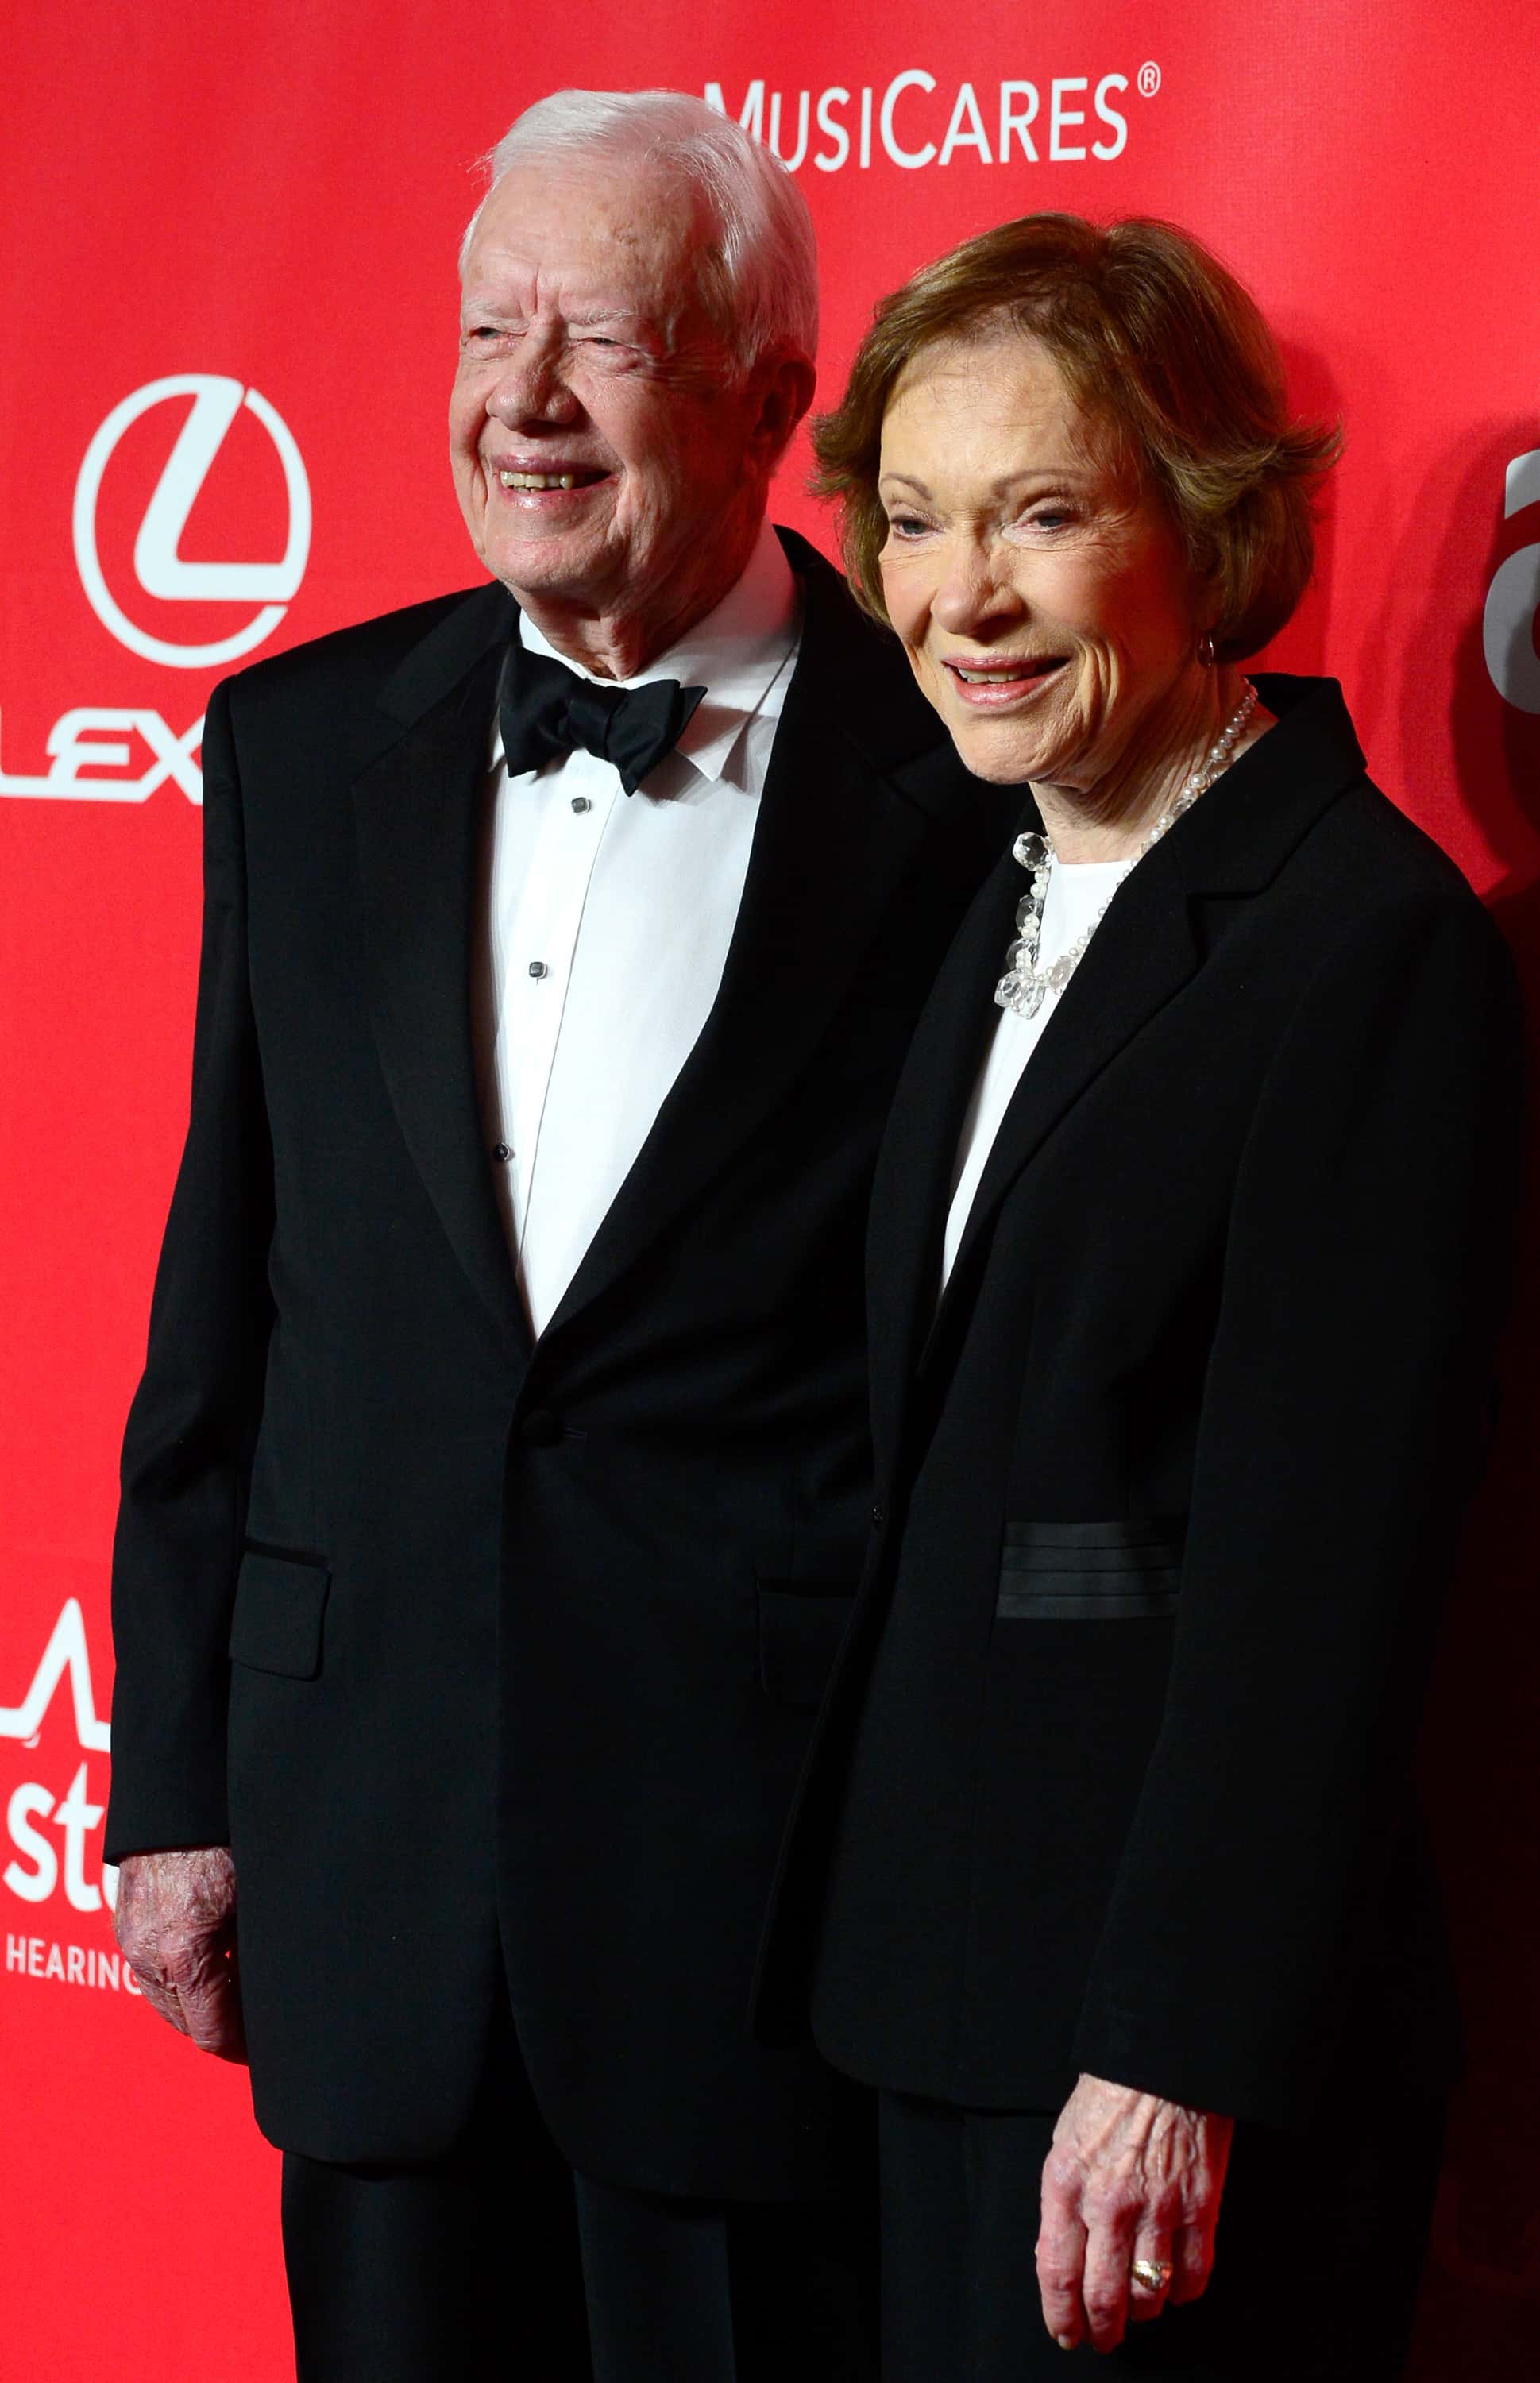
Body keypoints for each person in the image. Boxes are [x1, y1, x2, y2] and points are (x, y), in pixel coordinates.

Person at [103, 90, 1011, 2383]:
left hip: (757, 1904)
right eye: (484, 327)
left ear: (772, 393)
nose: (517, 402)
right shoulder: (301, 744)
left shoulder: (956, 786)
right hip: (367, 1862)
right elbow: (227, 1300)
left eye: (593, 340)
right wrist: (178, 1791)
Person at [754, 212, 1524, 2381]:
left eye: (1040, 516)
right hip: (918, 1991)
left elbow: (1325, 1570)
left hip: (1151, 2072)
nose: (956, 599)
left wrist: (1172, 2052)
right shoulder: (983, 874)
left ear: (1203, 521)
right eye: (910, 522)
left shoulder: (1357, 953)